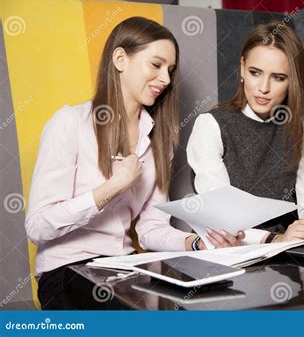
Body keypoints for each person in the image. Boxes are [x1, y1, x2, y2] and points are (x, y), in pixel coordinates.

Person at [25, 17, 242, 310]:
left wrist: (197, 243)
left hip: (125, 268)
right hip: (68, 271)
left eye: (170, 70)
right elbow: (38, 227)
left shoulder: (156, 143)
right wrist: (113, 187)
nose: (165, 78)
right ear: (120, 59)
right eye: (156, 64)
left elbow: (151, 229)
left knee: (206, 306)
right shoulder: (69, 123)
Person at [187, 22, 304, 247]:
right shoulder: (210, 125)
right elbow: (222, 220)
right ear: (243, 68)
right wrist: (275, 239)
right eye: (255, 73)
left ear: (292, 81)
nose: (263, 88)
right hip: (231, 255)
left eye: (278, 77)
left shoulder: (300, 128)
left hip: (287, 253)